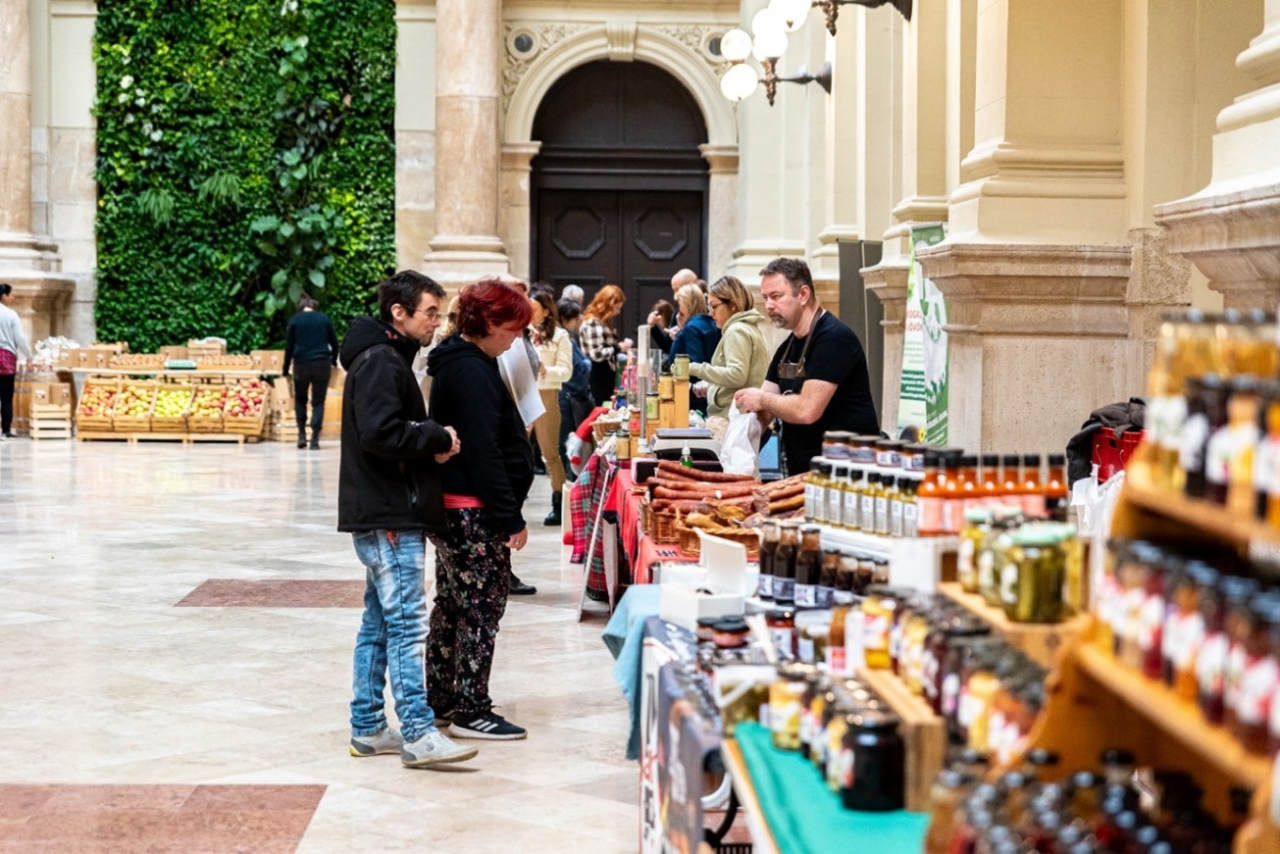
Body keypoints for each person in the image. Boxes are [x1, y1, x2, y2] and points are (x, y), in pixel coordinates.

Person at [336, 269, 477, 769]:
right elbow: (380, 432)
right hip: (389, 510)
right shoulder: (380, 362)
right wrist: (435, 437)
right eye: (430, 313)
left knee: (379, 622)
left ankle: (369, 727)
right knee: (407, 622)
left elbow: (388, 430)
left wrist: (426, 438)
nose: (437, 324)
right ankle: (418, 733)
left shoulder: (384, 357)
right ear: (399, 313)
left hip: (385, 505)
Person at [425, 278, 535, 741]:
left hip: (458, 505)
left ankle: (445, 698)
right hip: (472, 509)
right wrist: (510, 517)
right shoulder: (470, 371)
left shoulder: (465, 361)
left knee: (454, 604)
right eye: (512, 328)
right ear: (488, 322)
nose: (516, 339)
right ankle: (471, 706)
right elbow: (484, 451)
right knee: (480, 608)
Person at [734, 257, 879, 475]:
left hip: (846, 475)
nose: (769, 305)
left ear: (803, 295)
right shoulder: (786, 349)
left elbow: (807, 410)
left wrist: (762, 399)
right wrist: (740, 432)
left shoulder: (834, 339)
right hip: (802, 473)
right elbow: (764, 408)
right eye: (765, 298)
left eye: (776, 296)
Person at [689, 276, 769, 418]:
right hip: (740, 416)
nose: (710, 313)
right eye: (709, 307)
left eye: (714, 306)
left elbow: (736, 375)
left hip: (733, 418)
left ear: (732, 305)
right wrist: (713, 388)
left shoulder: (737, 330)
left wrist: (696, 368)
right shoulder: (747, 327)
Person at [530, 287, 572, 526]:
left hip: (546, 394)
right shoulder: (519, 332)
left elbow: (567, 371)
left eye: (533, 309)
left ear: (546, 311)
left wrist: (546, 371)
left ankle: (558, 503)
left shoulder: (560, 336)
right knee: (513, 450)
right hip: (520, 394)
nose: (529, 313)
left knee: (550, 453)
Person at [282, 292, 339, 450]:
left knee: (300, 399)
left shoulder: (295, 320)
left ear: (300, 307)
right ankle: (314, 439)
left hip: (301, 365)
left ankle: (301, 435)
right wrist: (333, 361)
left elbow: (289, 347)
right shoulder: (324, 319)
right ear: (313, 306)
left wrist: (285, 369)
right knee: (318, 401)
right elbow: (334, 344)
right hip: (322, 364)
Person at [665, 284, 721, 417]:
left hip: (692, 396)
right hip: (710, 391)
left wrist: (681, 334)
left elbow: (695, 360)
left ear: (686, 304)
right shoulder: (710, 323)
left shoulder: (691, 328)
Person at [556, 298, 593, 479]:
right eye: (575, 317)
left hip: (572, 396)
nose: (579, 319)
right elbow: (578, 369)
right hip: (569, 398)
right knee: (568, 445)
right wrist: (587, 365)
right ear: (564, 319)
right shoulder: (565, 340)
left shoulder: (570, 339)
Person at [579, 284, 629, 406]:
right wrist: (618, 348)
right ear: (607, 305)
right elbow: (596, 354)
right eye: (616, 308)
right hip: (597, 377)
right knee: (600, 410)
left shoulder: (600, 322)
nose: (618, 312)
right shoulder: (593, 323)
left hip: (602, 375)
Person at [0, 284, 32, 440]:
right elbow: (20, 338)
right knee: (6, 396)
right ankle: (5, 431)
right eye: (11, 295)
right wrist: (29, 355)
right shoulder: (11, 314)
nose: (13, 298)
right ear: (4, 296)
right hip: (6, 357)